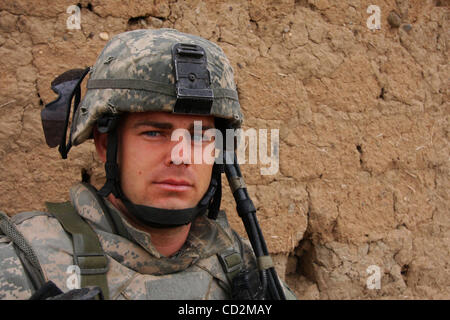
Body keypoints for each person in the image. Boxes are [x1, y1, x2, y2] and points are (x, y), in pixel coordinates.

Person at [0, 28, 295, 300]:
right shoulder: (26, 262)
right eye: (154, 133)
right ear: (106, 145)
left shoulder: (242, 265)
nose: (180, 156)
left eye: (199, 137)